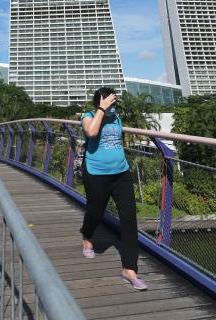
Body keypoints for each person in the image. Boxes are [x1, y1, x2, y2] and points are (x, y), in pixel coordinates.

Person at [79, 87, 146, 290]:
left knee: (128, 217)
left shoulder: (117, 118)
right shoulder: (88, 115)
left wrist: (109, 111)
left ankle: (129, 269)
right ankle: (87, 235)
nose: (110, 104)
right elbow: (91, 132)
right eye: (106, 100)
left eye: (112, 100)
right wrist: (101, 109)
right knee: (96, 211)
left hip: (121, 173)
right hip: (96, 172)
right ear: (98, 101)